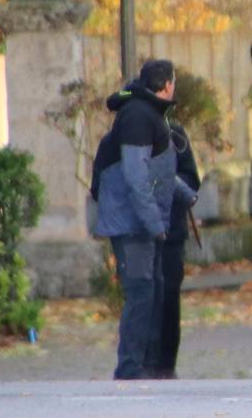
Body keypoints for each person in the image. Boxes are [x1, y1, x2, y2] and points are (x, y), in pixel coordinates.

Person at [91, 59, 180, 380]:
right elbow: (135, 176)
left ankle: (144, 364)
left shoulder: (143, 112)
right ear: (167, 85)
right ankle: (130, 368)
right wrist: (155, 223)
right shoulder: (139, 116)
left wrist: (185, 195)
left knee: (149, 289)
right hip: (133, 224)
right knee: (141, 291)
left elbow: (157, 168)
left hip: (137, 220)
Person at [154, 120, 200, 378]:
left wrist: (164, 178)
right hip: (140, 231)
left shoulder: (175, 135)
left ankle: (165, 364)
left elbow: (191, 179)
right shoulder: (127, 133)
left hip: (171, 230)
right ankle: (144, 359)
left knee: (169, 295)